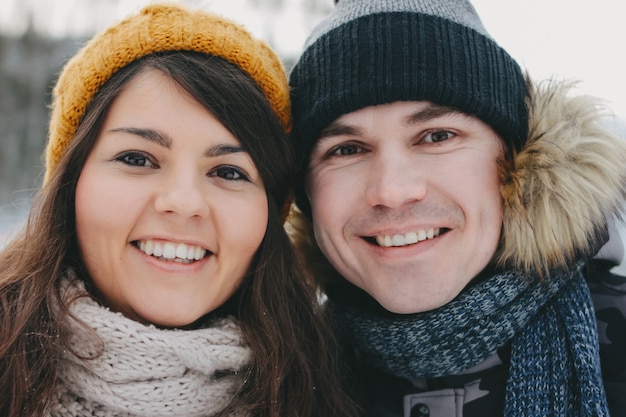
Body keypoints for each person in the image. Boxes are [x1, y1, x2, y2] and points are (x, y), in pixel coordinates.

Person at [0, 3, 357, 417]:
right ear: (71, 183)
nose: (184, 203)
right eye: (137, 159)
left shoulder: (331, 393)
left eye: (227, 171)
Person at [287, 0, 626, 416]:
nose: (392, 191)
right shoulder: (278, 376)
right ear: (306, 194)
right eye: (348, 149)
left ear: (517, 160)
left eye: (437, 136)